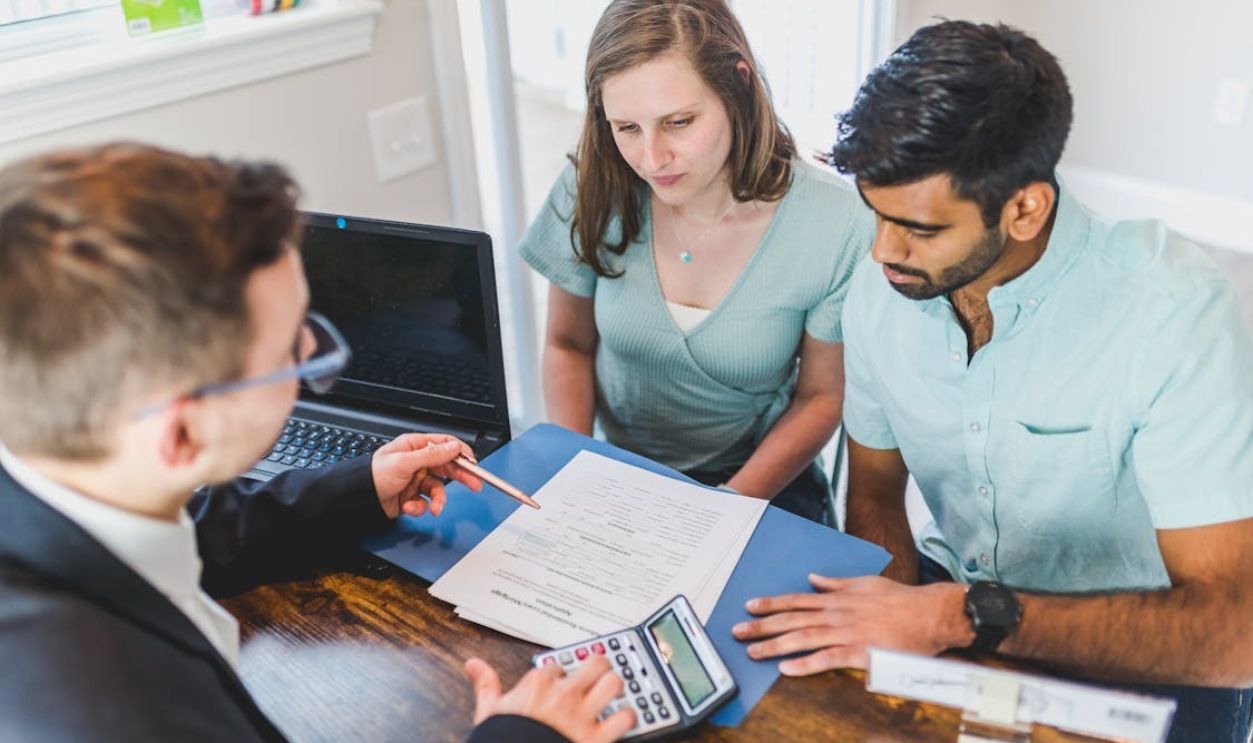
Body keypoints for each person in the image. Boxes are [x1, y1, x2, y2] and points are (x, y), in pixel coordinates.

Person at [0, 143, 634, 743]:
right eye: (293, 356)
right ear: (181, 435)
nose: (316, 358)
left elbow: (202, 528)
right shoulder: (98, 710)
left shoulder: (68, 486)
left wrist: (361, 487)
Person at [732, 20, 1253, 743]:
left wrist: (953, 616)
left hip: (1144, 650)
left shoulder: (1173, 314)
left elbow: (1234, 637)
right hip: (953, 618)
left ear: (1024, 208)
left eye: (918, 227)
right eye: (875, 214)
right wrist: (884, 629)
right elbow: (876, 489)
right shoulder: (880, 288)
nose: (884, 250)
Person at [519, 0, 874, 523]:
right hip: (612, 471)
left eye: (679, 122)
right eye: (627, 128)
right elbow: (567, 343)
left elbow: (821, 396)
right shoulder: (591, 185)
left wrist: (723, 508)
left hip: (758, 480)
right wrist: (579, 471)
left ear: (739, 86)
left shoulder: (835, 219)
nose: (651, 159)